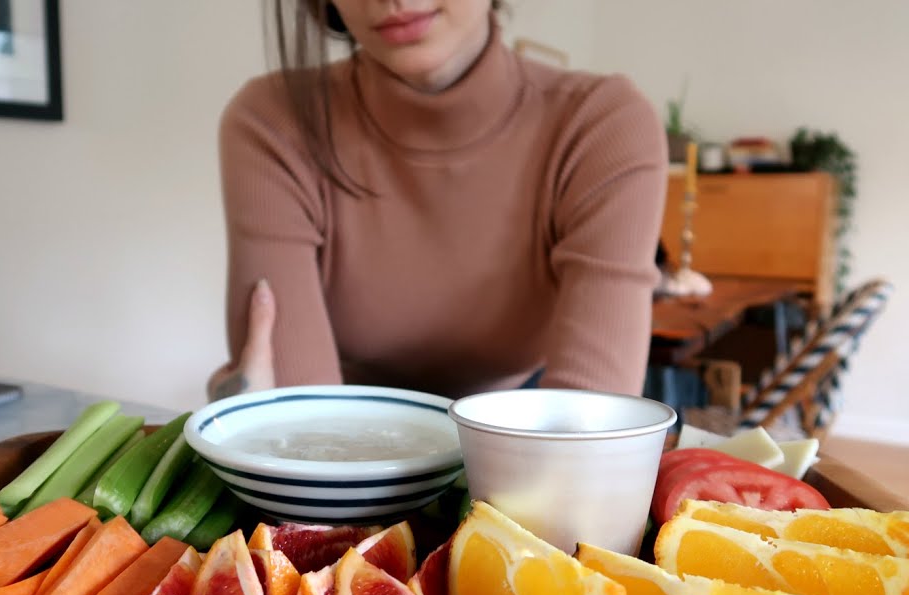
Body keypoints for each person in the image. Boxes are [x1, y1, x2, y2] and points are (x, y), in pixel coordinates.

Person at [208, 0, 667, 402]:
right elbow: (305, 427)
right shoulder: (274, 122)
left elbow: (587, 427)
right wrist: (250, 417)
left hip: (528, 416)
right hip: (347, 423)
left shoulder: (601, 127)